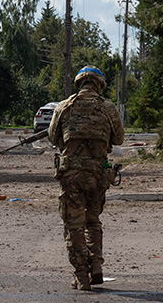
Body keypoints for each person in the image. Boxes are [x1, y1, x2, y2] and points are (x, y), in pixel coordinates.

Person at [48, 66, 125, 291]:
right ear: (99, 84)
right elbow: (119, 139)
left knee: (73, 224)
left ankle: (82, 274)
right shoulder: (108, 108)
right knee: (93, 220)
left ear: (79, 83)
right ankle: (96, 264)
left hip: (71, 175)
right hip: (98, 174)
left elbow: (53, 137)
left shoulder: (64, 107)